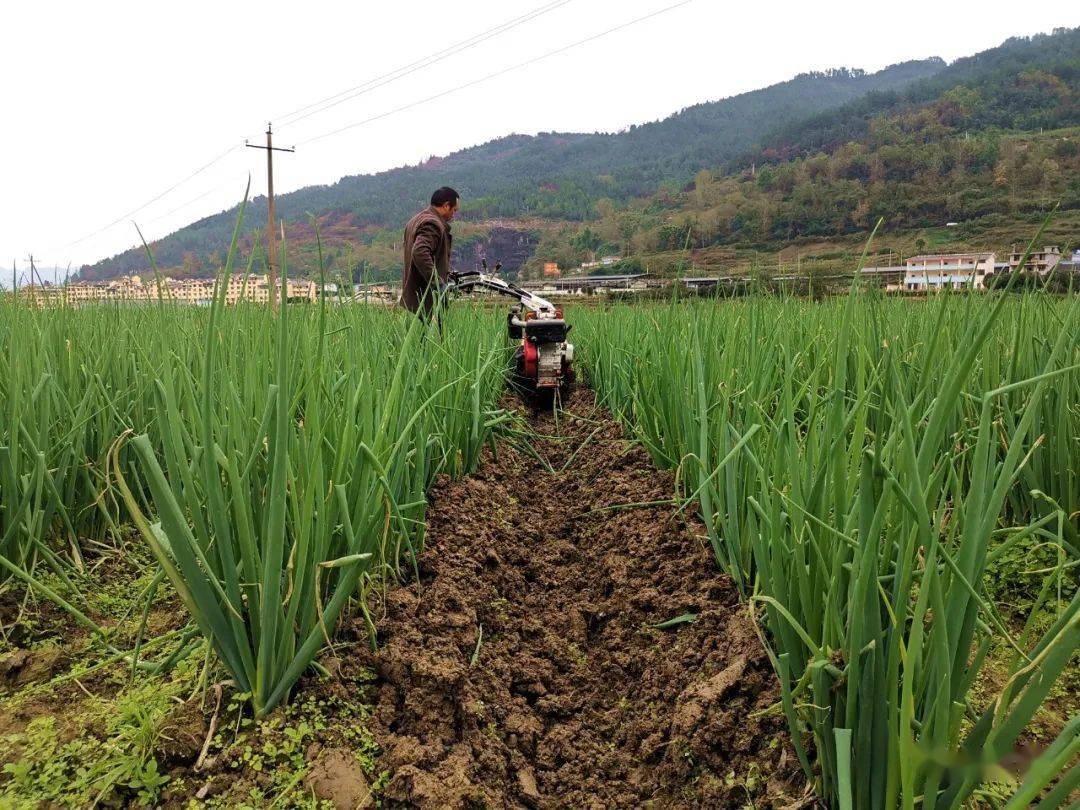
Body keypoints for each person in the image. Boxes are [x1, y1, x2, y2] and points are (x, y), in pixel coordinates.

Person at [400, 187, 459, 321]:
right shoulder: (432, 223)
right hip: (426, 302)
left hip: (413, 300)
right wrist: (438, 283)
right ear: (446, 206)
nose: (454, 215)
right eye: (454, 210)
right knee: (433, 341)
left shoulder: (415, 220)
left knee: (416, 341)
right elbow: (420, 251)